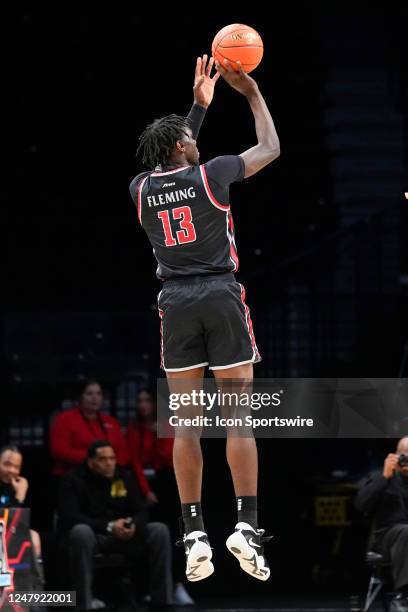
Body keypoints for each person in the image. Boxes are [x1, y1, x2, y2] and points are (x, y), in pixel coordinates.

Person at [129, 55, 279, 582]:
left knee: (186, 427)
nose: (195, 141)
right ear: (181, 149)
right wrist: (252, 94)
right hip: (218, 293)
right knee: (239, 419)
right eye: (188, 139)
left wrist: (197, 107)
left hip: (175, 303)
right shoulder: (213, 173)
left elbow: (172, 162)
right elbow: (270, 149)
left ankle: (193, 530)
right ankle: (246, 524)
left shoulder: (140, 190)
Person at [57, 440, 173, 611]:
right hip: (94, 537)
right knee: (81, 532)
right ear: (90, 462)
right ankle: (84, 604)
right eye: (103, 459)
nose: (109, 463)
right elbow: (70, 517)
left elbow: (142, 511)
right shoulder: (72, 480)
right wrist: (109, 526)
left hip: (124, 535)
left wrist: (133, 525)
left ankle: (162, 601)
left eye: (112, 458)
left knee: (159, 530)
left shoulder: (124, 476)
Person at [127, 389, 193, 605]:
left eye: (147, 400)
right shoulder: (134, 429)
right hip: (142, 486)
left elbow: (168, 457)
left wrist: (159, 434)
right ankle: (148, 588)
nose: (143, 405)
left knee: (174, 536)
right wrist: (145, 491)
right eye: (139, 400)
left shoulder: (167, 423)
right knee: (146, 537)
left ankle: (177, 585)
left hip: (167, 484)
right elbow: (134, 461)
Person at [355, 437, 408, 611]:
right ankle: (403, 596)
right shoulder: (380, 476)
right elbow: (361, 504)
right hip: (385, 540)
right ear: (397, 456)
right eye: (405, 456)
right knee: (405, 531)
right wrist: (385, 477)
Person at [50, 380, 130, 475]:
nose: (95, 398)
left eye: (98, 394)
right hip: (75, 476)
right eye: (89, 393)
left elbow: (124, 453)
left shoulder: (111, 421)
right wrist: (94, 458)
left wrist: (108, 463)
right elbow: (59, 451)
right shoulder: (65, 419)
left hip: (108, 475)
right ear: (80, 397)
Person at [0, 445, 44, 583]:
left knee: (33, 536)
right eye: (7, 464)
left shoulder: (16, 486)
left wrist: (19, 496)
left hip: (7, 536)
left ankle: (34, 586)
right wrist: (19, 497)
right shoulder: (18, 490)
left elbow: (16, 524)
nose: (12, 470)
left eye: (16, 467)